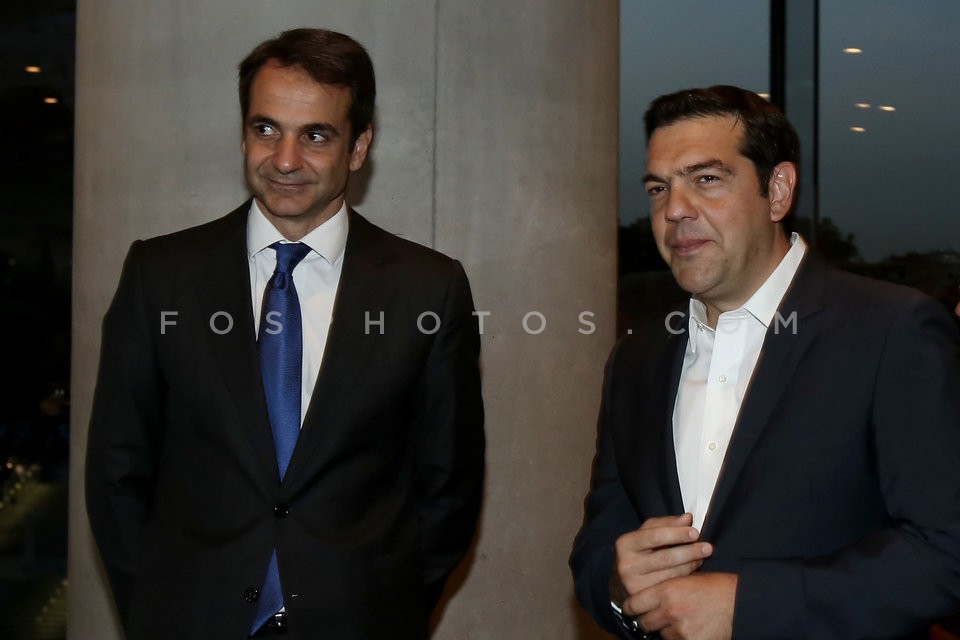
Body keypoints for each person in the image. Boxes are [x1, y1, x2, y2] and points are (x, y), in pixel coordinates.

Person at [85, 28, 484, 640]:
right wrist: (158, 613)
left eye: (316, 135)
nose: (286, 159)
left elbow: (448, 488)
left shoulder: (429, 288)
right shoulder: (159, 275)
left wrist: (386, 606)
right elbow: (117, 470)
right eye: (266, 128)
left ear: (359, 147)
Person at [570, 85, 960, 639]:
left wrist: (748, 606)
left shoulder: (892, 331)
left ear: (777, 191)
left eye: (707, 179)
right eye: (659, 188)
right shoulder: (637, 358)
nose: (674, 210)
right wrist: (617, 583)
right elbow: (598, 543)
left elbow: (945, 550)